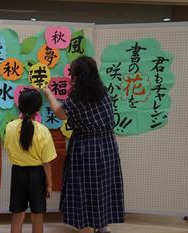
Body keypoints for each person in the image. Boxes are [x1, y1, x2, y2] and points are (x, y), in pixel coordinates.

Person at [43, 56, 125, 233]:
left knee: (85, 188)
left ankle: (87, 227)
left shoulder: (78, 96)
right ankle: (103, 226)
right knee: (103, 185)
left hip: (87, 147)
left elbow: (60, 113)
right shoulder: (102, 91)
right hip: (108, 145)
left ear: (77, 76)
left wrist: (48, 92)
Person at [4, 88, 57, 233]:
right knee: (37, 216)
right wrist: (50, 185)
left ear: (19, 105)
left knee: (18, 215)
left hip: (18, 173)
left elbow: (8, 148)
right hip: (37, 175)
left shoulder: (10, 127)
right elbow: (47, 162)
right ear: (38, 108)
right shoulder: (43, 130)